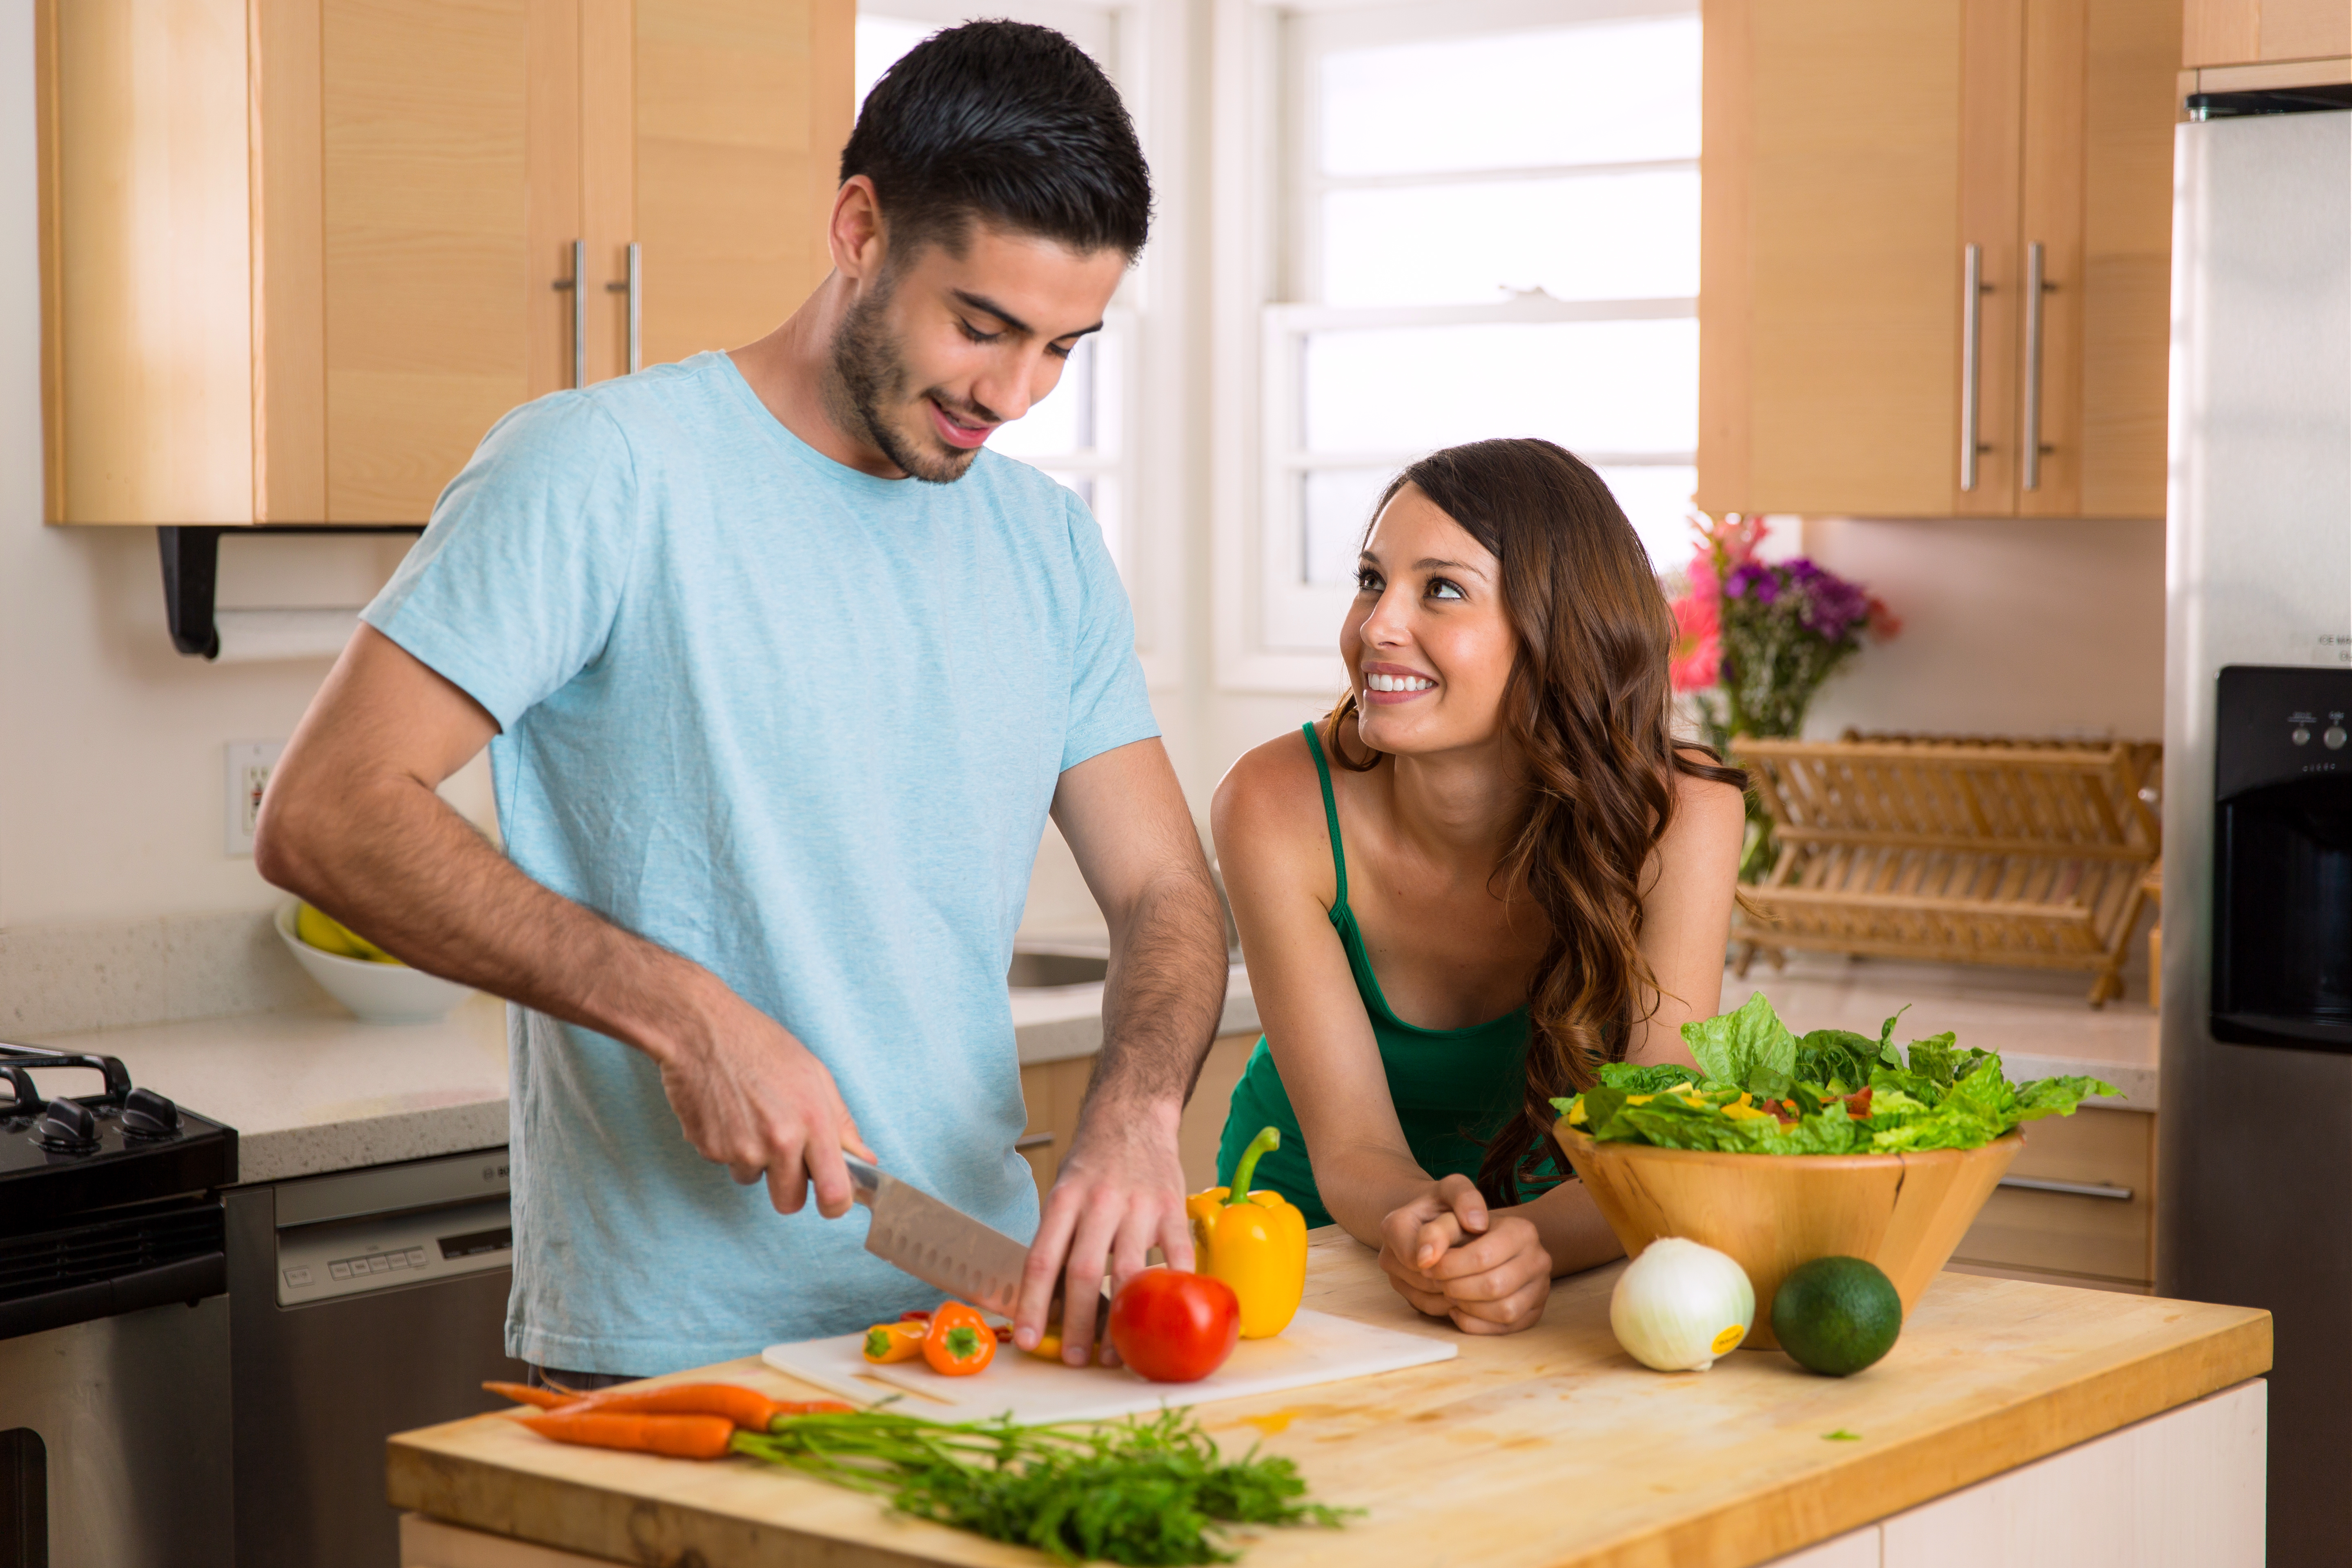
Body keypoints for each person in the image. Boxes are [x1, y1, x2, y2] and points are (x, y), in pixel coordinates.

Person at [255, 22, 1228, 1382]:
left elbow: (1168, 896)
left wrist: (1136, 1108)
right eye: (983, 326)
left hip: (971, 1326)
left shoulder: (1047, 546)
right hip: (673, 1355)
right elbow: (325, 816)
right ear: (858, 228)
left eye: (1065, 348)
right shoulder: (604, 471)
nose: (1012, 396)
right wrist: (682, 1013)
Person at [1209, 439, 1746, 1336]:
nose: (1378, 625)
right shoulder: (1274, 805)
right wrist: (1431, 1238)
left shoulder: (1683, 812)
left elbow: (1658, 1135)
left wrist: (1523, 1244)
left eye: (1441, 589)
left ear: (1556, 628)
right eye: (1372, 580)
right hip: (1305, 1248)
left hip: (1573, 1239)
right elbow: (1355, 1149)